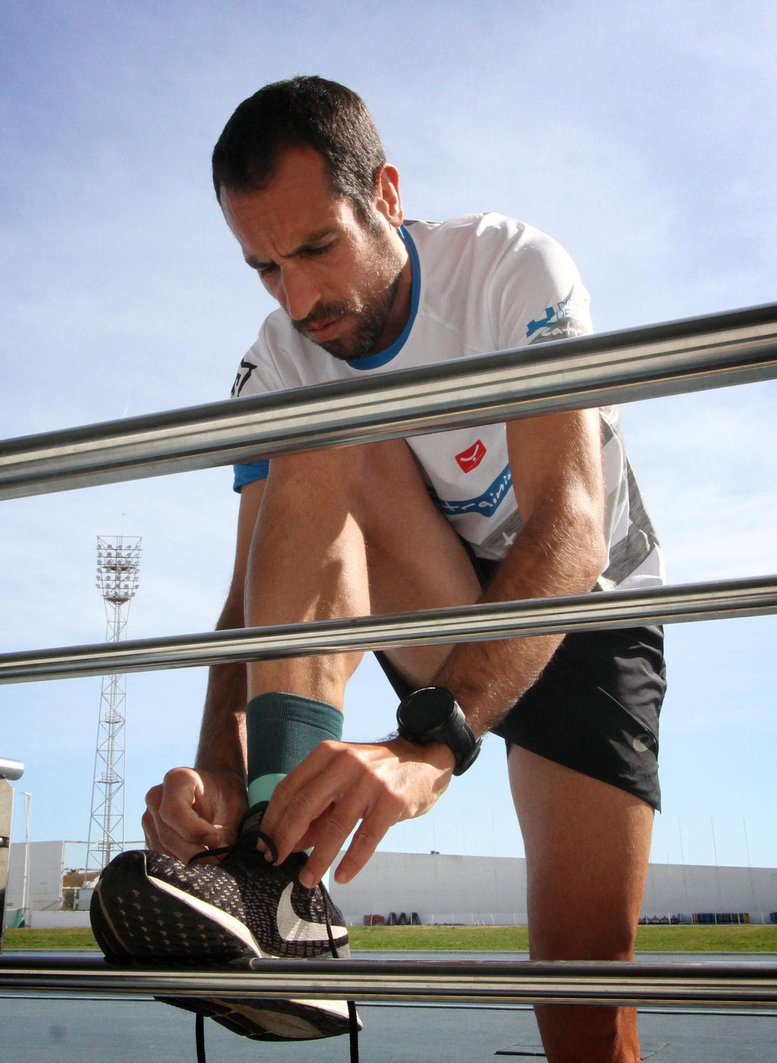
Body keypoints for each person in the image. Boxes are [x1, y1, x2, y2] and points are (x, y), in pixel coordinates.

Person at [110, 77, 665, 1063]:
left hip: (582, 610)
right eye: (263, 267)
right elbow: (249, 597)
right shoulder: (281, 355)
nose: (298, 297)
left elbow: (570, 528)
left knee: (580, 998)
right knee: (326, 428)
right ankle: (280, 891)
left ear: (387, 194)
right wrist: (223, 772)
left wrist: (430, 743)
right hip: (433, 596)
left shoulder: (509, 268)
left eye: (316, 248)